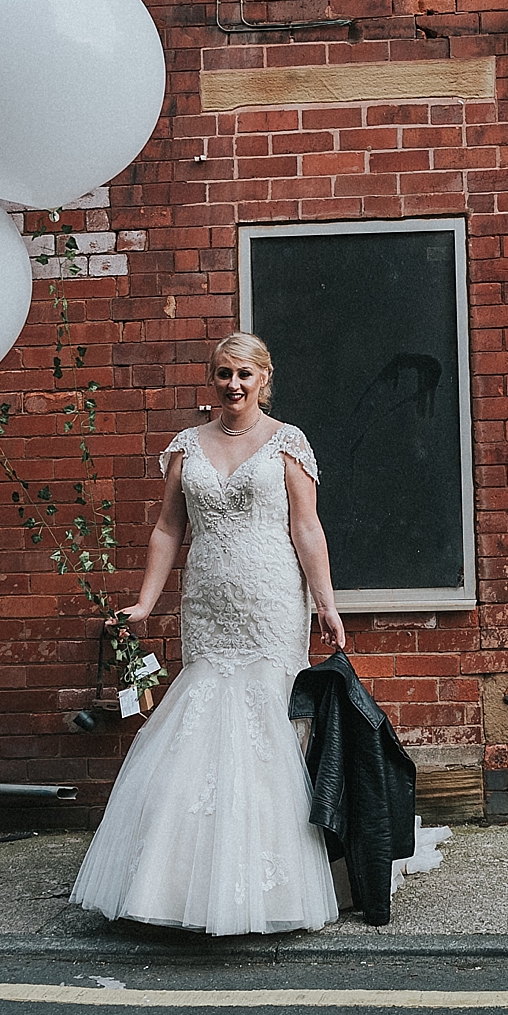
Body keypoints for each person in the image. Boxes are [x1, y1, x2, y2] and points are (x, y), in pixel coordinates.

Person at [71, 332, 348, 934]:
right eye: (224, 374)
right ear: (212, 379)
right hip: (210, 604)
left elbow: (307, 528)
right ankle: (180, 881)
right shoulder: (186, 447)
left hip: (271, 600)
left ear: (264, 379)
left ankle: (276, 884)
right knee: (202, 713)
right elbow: (169, 529)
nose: (234, 385)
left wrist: (325, 603)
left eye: (245, 375)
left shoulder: (287, 443)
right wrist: (145, 603)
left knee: (268, 722)